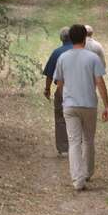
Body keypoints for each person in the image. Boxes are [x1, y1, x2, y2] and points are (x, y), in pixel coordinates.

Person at [53, 24, 108, 190]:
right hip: (89, 104)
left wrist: (65, 98)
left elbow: (60, 83)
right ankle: (87, 172)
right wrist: (106, 105)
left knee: (74, 142)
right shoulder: (92, 58)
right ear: (85, 37)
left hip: (70, 105)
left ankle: (77, 179)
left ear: (70, 38)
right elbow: (100, 82)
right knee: (88, 140)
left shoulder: (63, 58)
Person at [42, 27, 72, 155]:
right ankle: (77, 145)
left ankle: (64, 147)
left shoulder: (56, 53)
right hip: (80, 89)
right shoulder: (81, 51)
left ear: (61, 38)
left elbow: (49, 74)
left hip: (62, 89)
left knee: (60, 118)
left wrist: (47, 89)